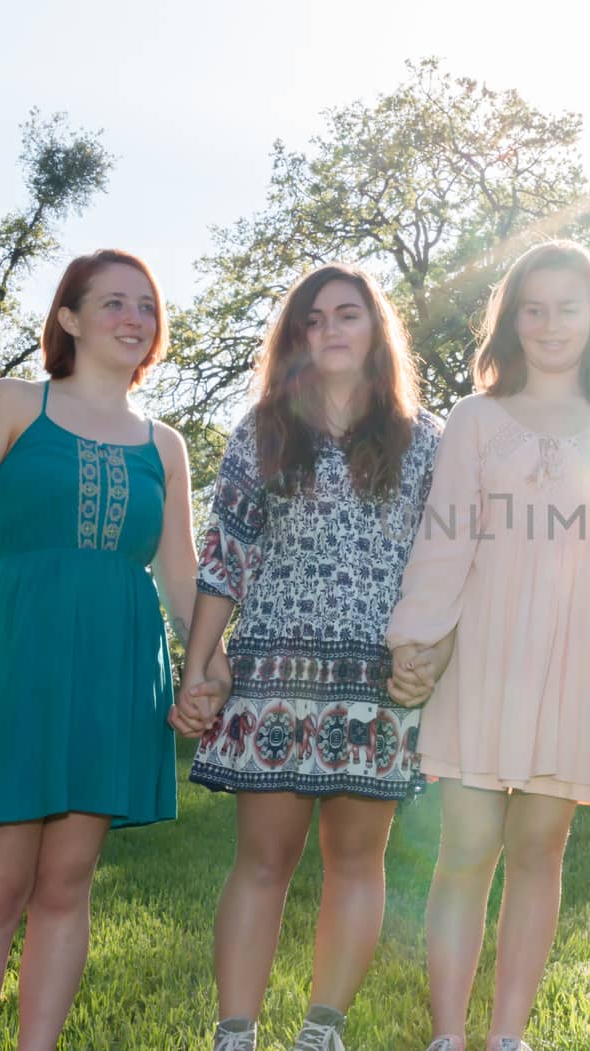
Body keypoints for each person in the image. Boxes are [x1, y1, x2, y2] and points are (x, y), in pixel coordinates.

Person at [0, 250, 214, 1051]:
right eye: (113, 303)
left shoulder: (164, 444)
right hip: (20, 654)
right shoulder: (12, 404)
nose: (135, 318)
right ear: (68, 317)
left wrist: (207, 665)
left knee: (66, 884)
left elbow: (180, 570)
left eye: (146, 305)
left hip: (117, 665)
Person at [384, 240, 590, 1051]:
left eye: (568, 308)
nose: (550, 325)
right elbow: (445, 541)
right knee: (467, 846)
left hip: (576, 660)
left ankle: (507, 1036)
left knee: (540, 849)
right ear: (510, 320)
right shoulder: (474, 419)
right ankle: (448, 1035)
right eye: (533, 309)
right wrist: (418, 638)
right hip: (484, 650)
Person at [173, 264, 441, 1051]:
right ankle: (236, 1035)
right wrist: (201, 662)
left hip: (378, 680)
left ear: (375, 330)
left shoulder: (426, 439)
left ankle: (321, 1032)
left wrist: (432, 651)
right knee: (263, 862)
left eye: (347, 314)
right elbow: (225, 556)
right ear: (295, 337)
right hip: (273, 678)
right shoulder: (263, 432)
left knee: (358, 864)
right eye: (313, 318)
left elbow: (446, 559)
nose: (329, 329)